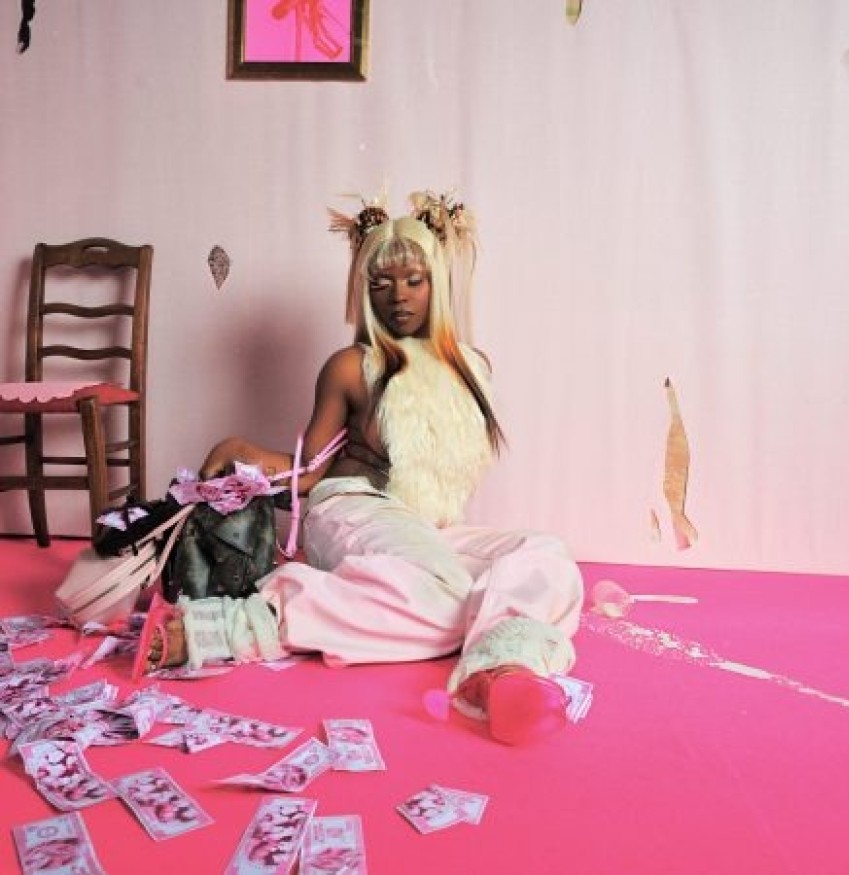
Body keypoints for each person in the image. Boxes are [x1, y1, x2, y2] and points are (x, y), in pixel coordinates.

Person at [139, 191, 584, 744]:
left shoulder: (472, 368)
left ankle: (501, 664)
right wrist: (240, 449)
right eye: (380, 284)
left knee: (545, 554)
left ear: (438, 284)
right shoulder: (352, 366)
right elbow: (309, 474)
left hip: (426, 530)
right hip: (352, 507)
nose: (398, 296)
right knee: (449, 590)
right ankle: (229, 628)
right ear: (364, 291)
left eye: (414, 281)